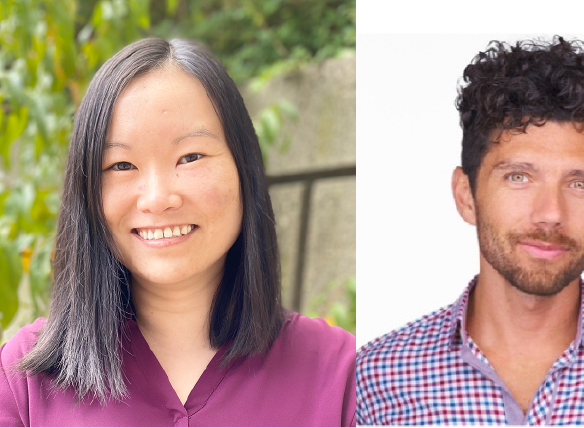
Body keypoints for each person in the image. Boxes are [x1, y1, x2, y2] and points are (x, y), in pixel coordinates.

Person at [356, 36, 584, 425]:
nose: (550, 214)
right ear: (466, 195)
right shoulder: (374, 380)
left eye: (580, 184)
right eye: (519, 177)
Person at [0, 38, 355, 427]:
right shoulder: (22, 384)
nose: (157, 198)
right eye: (120, 165)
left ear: (244, 169)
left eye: (190, 157)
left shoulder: (344, 377)